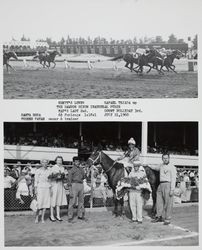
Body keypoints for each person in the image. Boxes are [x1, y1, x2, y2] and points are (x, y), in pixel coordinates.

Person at [152, 153, 176, 225]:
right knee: (159, 201)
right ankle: (159, 216)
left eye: (166, 158)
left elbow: (173, 178)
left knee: (168, 202)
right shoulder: (161, 166)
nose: (165, 159)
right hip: (161, 184)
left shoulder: (172, 167)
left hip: (168, 184)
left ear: (169, 158)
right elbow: (155, 168)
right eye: (164, 158)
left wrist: (172, 189)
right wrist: (147, 165)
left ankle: (167, 218)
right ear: (162, 159)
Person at [68, 156, 85, 222]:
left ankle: (80, 215)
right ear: (73, 162)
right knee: (72, 201)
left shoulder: (82, 169)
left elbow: (83, 177)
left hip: (81, 184)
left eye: (78, 161)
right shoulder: (71, 170)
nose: (77, 163)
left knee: (81, 201)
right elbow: (69, 181)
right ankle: (70, 216)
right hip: (74, 184)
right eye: (76, 161)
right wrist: (70, 190)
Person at [50, 156, 67, 222]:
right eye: (58, 160)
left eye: (60, 160)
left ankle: (58, 215)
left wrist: (64, 177)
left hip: (60, 185)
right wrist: (51, 187)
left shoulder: (62, 168)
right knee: (53, 200)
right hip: (54, 185)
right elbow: (50, 178)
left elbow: (64, 177)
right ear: (56, 161)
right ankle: (51, 215)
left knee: (59, 200)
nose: (59, 161)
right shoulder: (53, 168)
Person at [34, 159, 52, 223]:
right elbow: (36, 181)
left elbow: (50, 181)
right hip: (40, 188)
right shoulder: (38, 171)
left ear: (47, 163)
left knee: (45, 203)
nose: (45, 163)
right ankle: (36, 218)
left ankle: (42, 218)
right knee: (39, 203)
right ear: (41, 163)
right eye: (43, 162)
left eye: (46, 162)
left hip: (47, 188)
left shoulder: (49, 171)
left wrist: (50, 189)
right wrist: (35, 189)